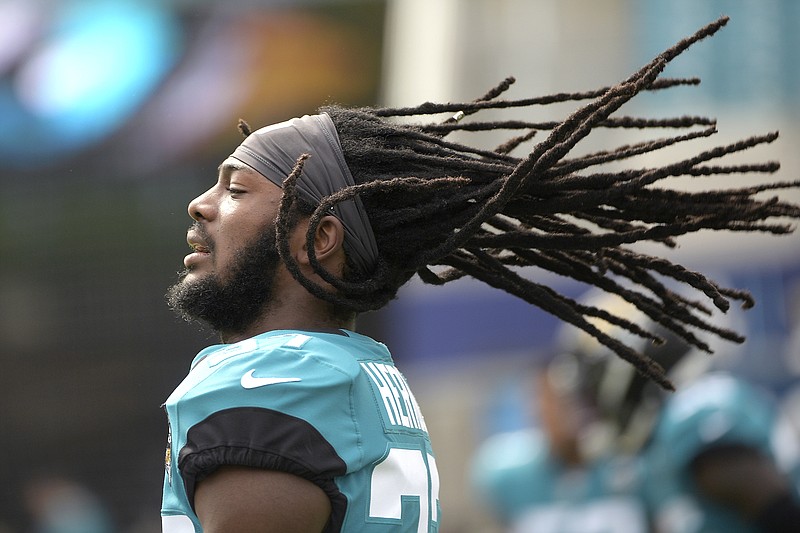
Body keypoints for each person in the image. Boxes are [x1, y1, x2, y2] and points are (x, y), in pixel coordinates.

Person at [160, 16, 800, 533]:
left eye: (237, 189)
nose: (201, 204)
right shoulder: (356, 370)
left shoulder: (268, 383)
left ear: (319, 238)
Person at [472, 291, 800, 533]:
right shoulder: (655, 442)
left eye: (591, 379)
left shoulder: (696, 409)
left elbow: (777, 510)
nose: (588, 399)